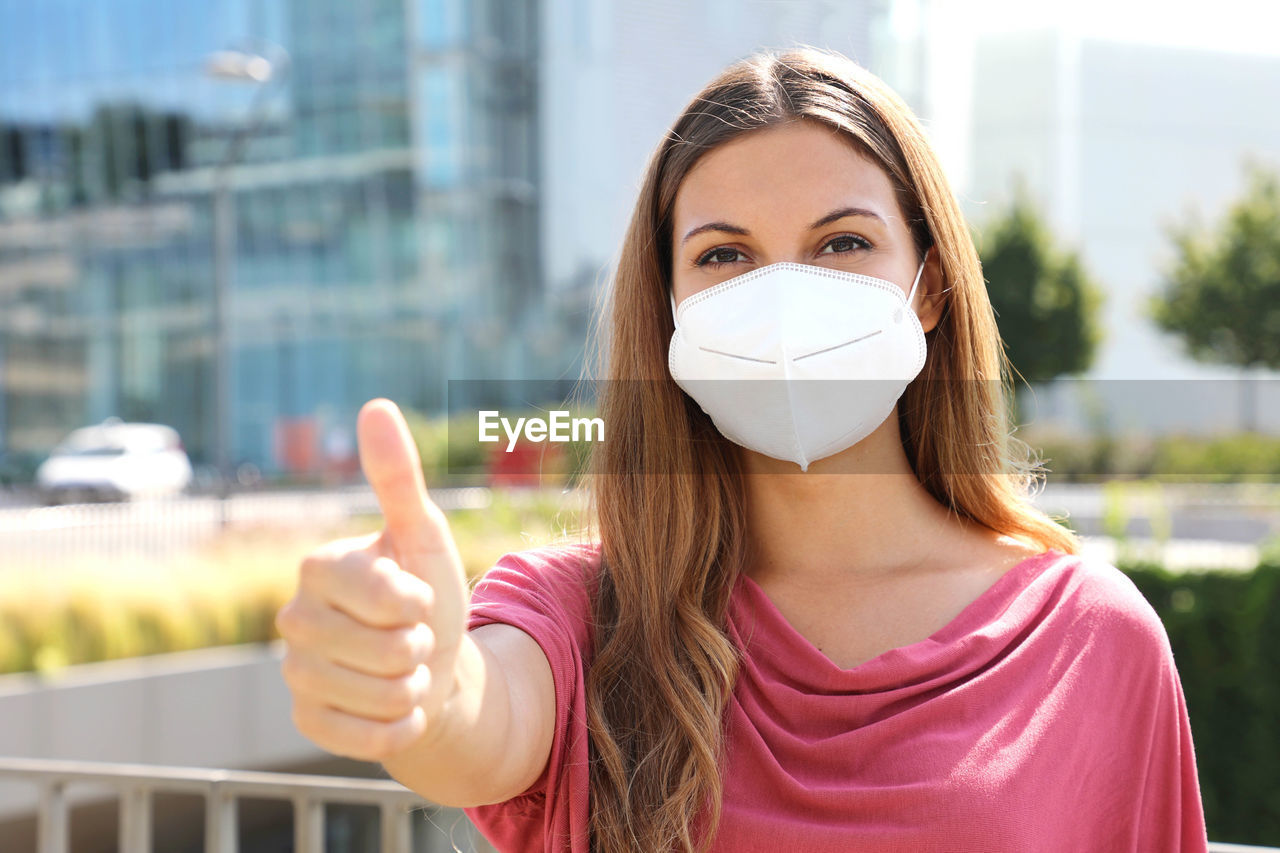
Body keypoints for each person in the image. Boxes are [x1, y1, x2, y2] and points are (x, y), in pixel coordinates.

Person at [274, 46, 1209, 853]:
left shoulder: (1096, 640)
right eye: (724, 256)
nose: (785, 296)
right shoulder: (589, 613)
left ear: (927, 288)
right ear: (668, 308)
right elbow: (481, 717)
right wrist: (423, 687)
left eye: (842, 243)